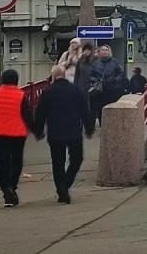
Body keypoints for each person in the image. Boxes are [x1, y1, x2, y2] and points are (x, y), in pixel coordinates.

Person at [33, 66, 94, 204]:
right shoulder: (75, 90)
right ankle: (66, 184)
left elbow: (40, 113)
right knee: (77, 159)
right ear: (65, 75)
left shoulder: (47, 92)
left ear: (53, 76)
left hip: (55, 133)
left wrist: (38, 131)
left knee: (58, 162)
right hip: (73, 131)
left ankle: (61, 188)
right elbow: (85, 110)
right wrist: (88, 128)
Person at [0, 69, 33, 207]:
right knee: (17, 161)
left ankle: (5, 190)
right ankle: (12, 186)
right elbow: (27, 115)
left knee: (3, 162)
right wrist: (35, 129)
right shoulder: (21, 95)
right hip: (16, 132)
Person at [89, 45, 125, 126]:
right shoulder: (95, 63)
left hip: (112, 89)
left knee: (111, 108)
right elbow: (90, 75)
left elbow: (121, 73)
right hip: (100, 90)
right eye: (103, 50)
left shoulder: (114, 62)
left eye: (106, 50)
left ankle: (112, 126)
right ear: (99, 52)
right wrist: (95, 80)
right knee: (100, 109)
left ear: (109, 52)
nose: (105, 52)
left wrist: (115, 80)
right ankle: (103, 127)